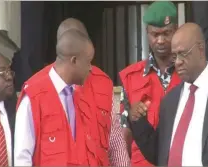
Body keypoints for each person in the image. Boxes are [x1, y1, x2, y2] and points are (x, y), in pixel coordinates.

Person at [129, 23, 208, 166]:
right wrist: (139, 122)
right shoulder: (169, 101)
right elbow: (160, 155)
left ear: (201, 49)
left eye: (183, 54)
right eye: (174, 56)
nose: (178, 62)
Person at [14, 23, 129, 165]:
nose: (90, 69)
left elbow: (115, 144)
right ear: (74, 60)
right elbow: (22, 157)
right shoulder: (33, 96)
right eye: (88, 63)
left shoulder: (100, 85)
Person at [119, 1, 181, 166]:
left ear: (176, 30)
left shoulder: (189, 72)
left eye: (166, 33)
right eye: (155, 34)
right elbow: (124, 131)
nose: (160, 40)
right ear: (147, 33)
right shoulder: (130, 77)